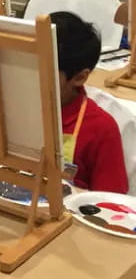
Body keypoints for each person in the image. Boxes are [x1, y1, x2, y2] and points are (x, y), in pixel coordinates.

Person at [51, 12, 128, 193]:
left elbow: (109, 204)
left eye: (45, 70)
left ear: (79, 77)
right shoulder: (11, 108)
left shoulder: (101, 129)